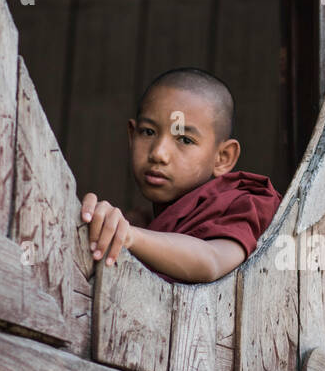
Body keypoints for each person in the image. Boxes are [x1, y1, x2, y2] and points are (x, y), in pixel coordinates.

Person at [80, 67, 281, 283]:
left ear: (223, 157)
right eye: (148, 132)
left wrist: (129, 235)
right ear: (132, 135)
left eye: (185, 140)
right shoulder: (146, 221)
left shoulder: (240, 205)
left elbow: (211, 260)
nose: (159, 153)